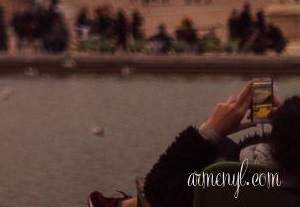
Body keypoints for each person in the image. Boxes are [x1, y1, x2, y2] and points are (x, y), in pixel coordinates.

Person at [87, 81, 300, 207]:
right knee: (222, 147)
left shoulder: (230, 178)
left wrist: (210, 131)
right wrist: (288, 124)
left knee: (205, 158)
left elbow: (155, 190)